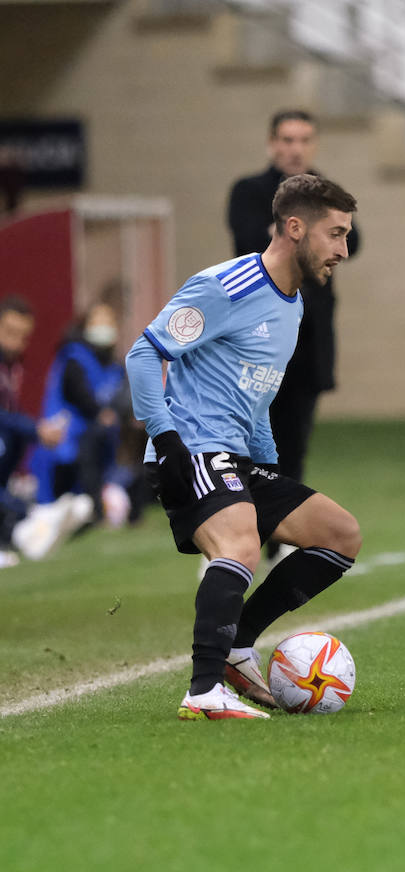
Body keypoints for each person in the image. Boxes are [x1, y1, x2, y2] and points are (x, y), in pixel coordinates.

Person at [128, 174, 363, 720]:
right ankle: (203, 691)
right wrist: (165, 441)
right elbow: (143, 354)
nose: (343, 251)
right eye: (336, 234)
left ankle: (238, 645)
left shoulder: (294, 304)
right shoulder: (224, 287)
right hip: (189, 449)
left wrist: (273, 473)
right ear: (295, 227)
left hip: (236, 457)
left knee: (339, 534)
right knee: (239, 543)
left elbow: (257, 400)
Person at [227, 109, 361, 489]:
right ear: (272, 144)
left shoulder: (327, 192)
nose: (296, 149)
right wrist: (313, 232)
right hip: (259, 334)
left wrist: (311, 232)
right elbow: (247, 239)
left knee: (295, 442)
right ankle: (237, 530)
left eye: (304, 140)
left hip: (309, 337)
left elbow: (356, 239)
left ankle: (284, 539)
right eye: (287, 140)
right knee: (250, 441)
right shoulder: (249, 190)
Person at [28, 301, 132, 522]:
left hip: (100, 440)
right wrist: (104, 415)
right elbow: (81, 396)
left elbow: (124, 398)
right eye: (97, 321)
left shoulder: (115, 365)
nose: (103, 327)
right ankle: (95, 511)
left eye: (108, 321)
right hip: (66, 438)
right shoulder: (74, 357)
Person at [0, 296, 79, 563]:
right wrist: (36, 430)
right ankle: (31, 524)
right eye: (10, 332)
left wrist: (38, 430)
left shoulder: (13, 365)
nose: (16, 342)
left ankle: (26, 525)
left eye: (23, 336)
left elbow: (10, 412)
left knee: (13, 440)